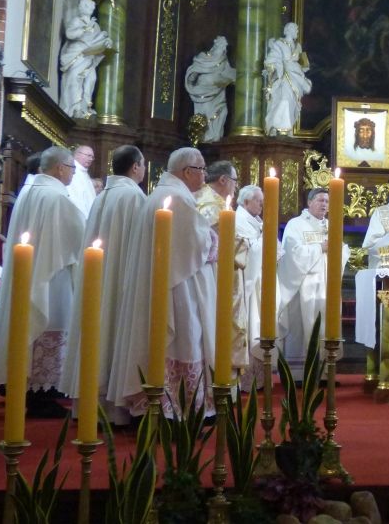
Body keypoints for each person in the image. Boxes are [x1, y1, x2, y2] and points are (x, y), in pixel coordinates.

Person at [108, 148, 216, 418]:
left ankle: (160, 405)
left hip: (163, 282)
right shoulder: (176, 198)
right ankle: (176, 408)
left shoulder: (159, 193)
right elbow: (195, 245)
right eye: (202, 169)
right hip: (177, 288)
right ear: (187, 171)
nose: (205, 175)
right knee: (183, 339)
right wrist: (215, 238)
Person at [0, 146, 85, 417]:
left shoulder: (29, 191)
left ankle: (30, 387)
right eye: (72, 168)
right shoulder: (56, 197)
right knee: (51, 327)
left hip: (29, 275)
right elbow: (81, 237)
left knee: (30, 329)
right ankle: (41, 396)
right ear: (60, 168)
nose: (73, 173)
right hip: (51, 279)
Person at [60, 145, 146, 423]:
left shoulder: (102, 195)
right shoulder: (134, 196)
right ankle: (114, 409)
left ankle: (89, 406)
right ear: (135, 166)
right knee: (113, 333)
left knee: (96, 334)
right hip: (121, 281)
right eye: (143, 164)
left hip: (97, 281)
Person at [277, 188, 350, 363]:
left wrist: (339, 250)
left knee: (327, 324)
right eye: (320, 200)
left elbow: (342, 251)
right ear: (309, 202)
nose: (324, 204)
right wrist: (319, 248)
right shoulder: (296, 224)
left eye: (327, 201)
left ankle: (325, 368)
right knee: (303, 325)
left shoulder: (331, 225)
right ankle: (299, 371)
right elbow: (292, 253)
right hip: (303, 285)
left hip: (327, 283)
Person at [59, 0, 112, 119]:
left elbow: (98, 40)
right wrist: (84, 29)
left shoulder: (96, 26)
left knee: (91, 79)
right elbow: (69, 34)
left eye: (91, 7)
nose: (89, 8)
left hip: (89, 57)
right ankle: (74, 108)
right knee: (74, 77)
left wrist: (106, 42)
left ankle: (85, 107)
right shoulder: (76, 21)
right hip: (77, 55)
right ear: (81, 8)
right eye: (86, 6)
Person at [233, 185, 263, 378]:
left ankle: (258, 376)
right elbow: (246, 251)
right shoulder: (239, 220)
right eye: (258, 201)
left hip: (259, 278)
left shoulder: (255, 221)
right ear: (245, 202)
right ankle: (247, 377)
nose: (261, 205)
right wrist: (265, 241)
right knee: (250, 323)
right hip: (246, 281)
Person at [263, 22, 312, 136]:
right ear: (288, 30)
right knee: (285, 99)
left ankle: (287, 128)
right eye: (295, 29)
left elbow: (302, 63)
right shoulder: (279, 44)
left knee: (292, 102)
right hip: (284, 75)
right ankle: (277, 126)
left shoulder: (298, 46)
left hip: (297, 76)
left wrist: (304, 66)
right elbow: (271, 59)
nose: (297, 32)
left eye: (297, 30)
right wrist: (273, 67)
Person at [185, 36, 236, 143]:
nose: (223, 48)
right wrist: (192, 77)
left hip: (218, 93)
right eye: (221, 45)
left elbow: (230, 74)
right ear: (215, 45)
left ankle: (214, 136)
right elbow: (194, 71)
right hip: (202, 92)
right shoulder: (203, 57)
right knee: (205, 113)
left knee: (223, 112)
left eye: (224, 47)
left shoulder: (223, 60)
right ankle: (205, 136)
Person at [194, 160, 238, 227]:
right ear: (223, 180)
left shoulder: (204, 195)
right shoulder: (212, 207)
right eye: (235, 180)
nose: (236, 185)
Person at [66, 145, 97, 220]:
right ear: (77, 155)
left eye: (92, 157)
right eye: (88, 156)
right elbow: (76, 199)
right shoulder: (73, 172)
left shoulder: (84, 172)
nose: (91, 159)